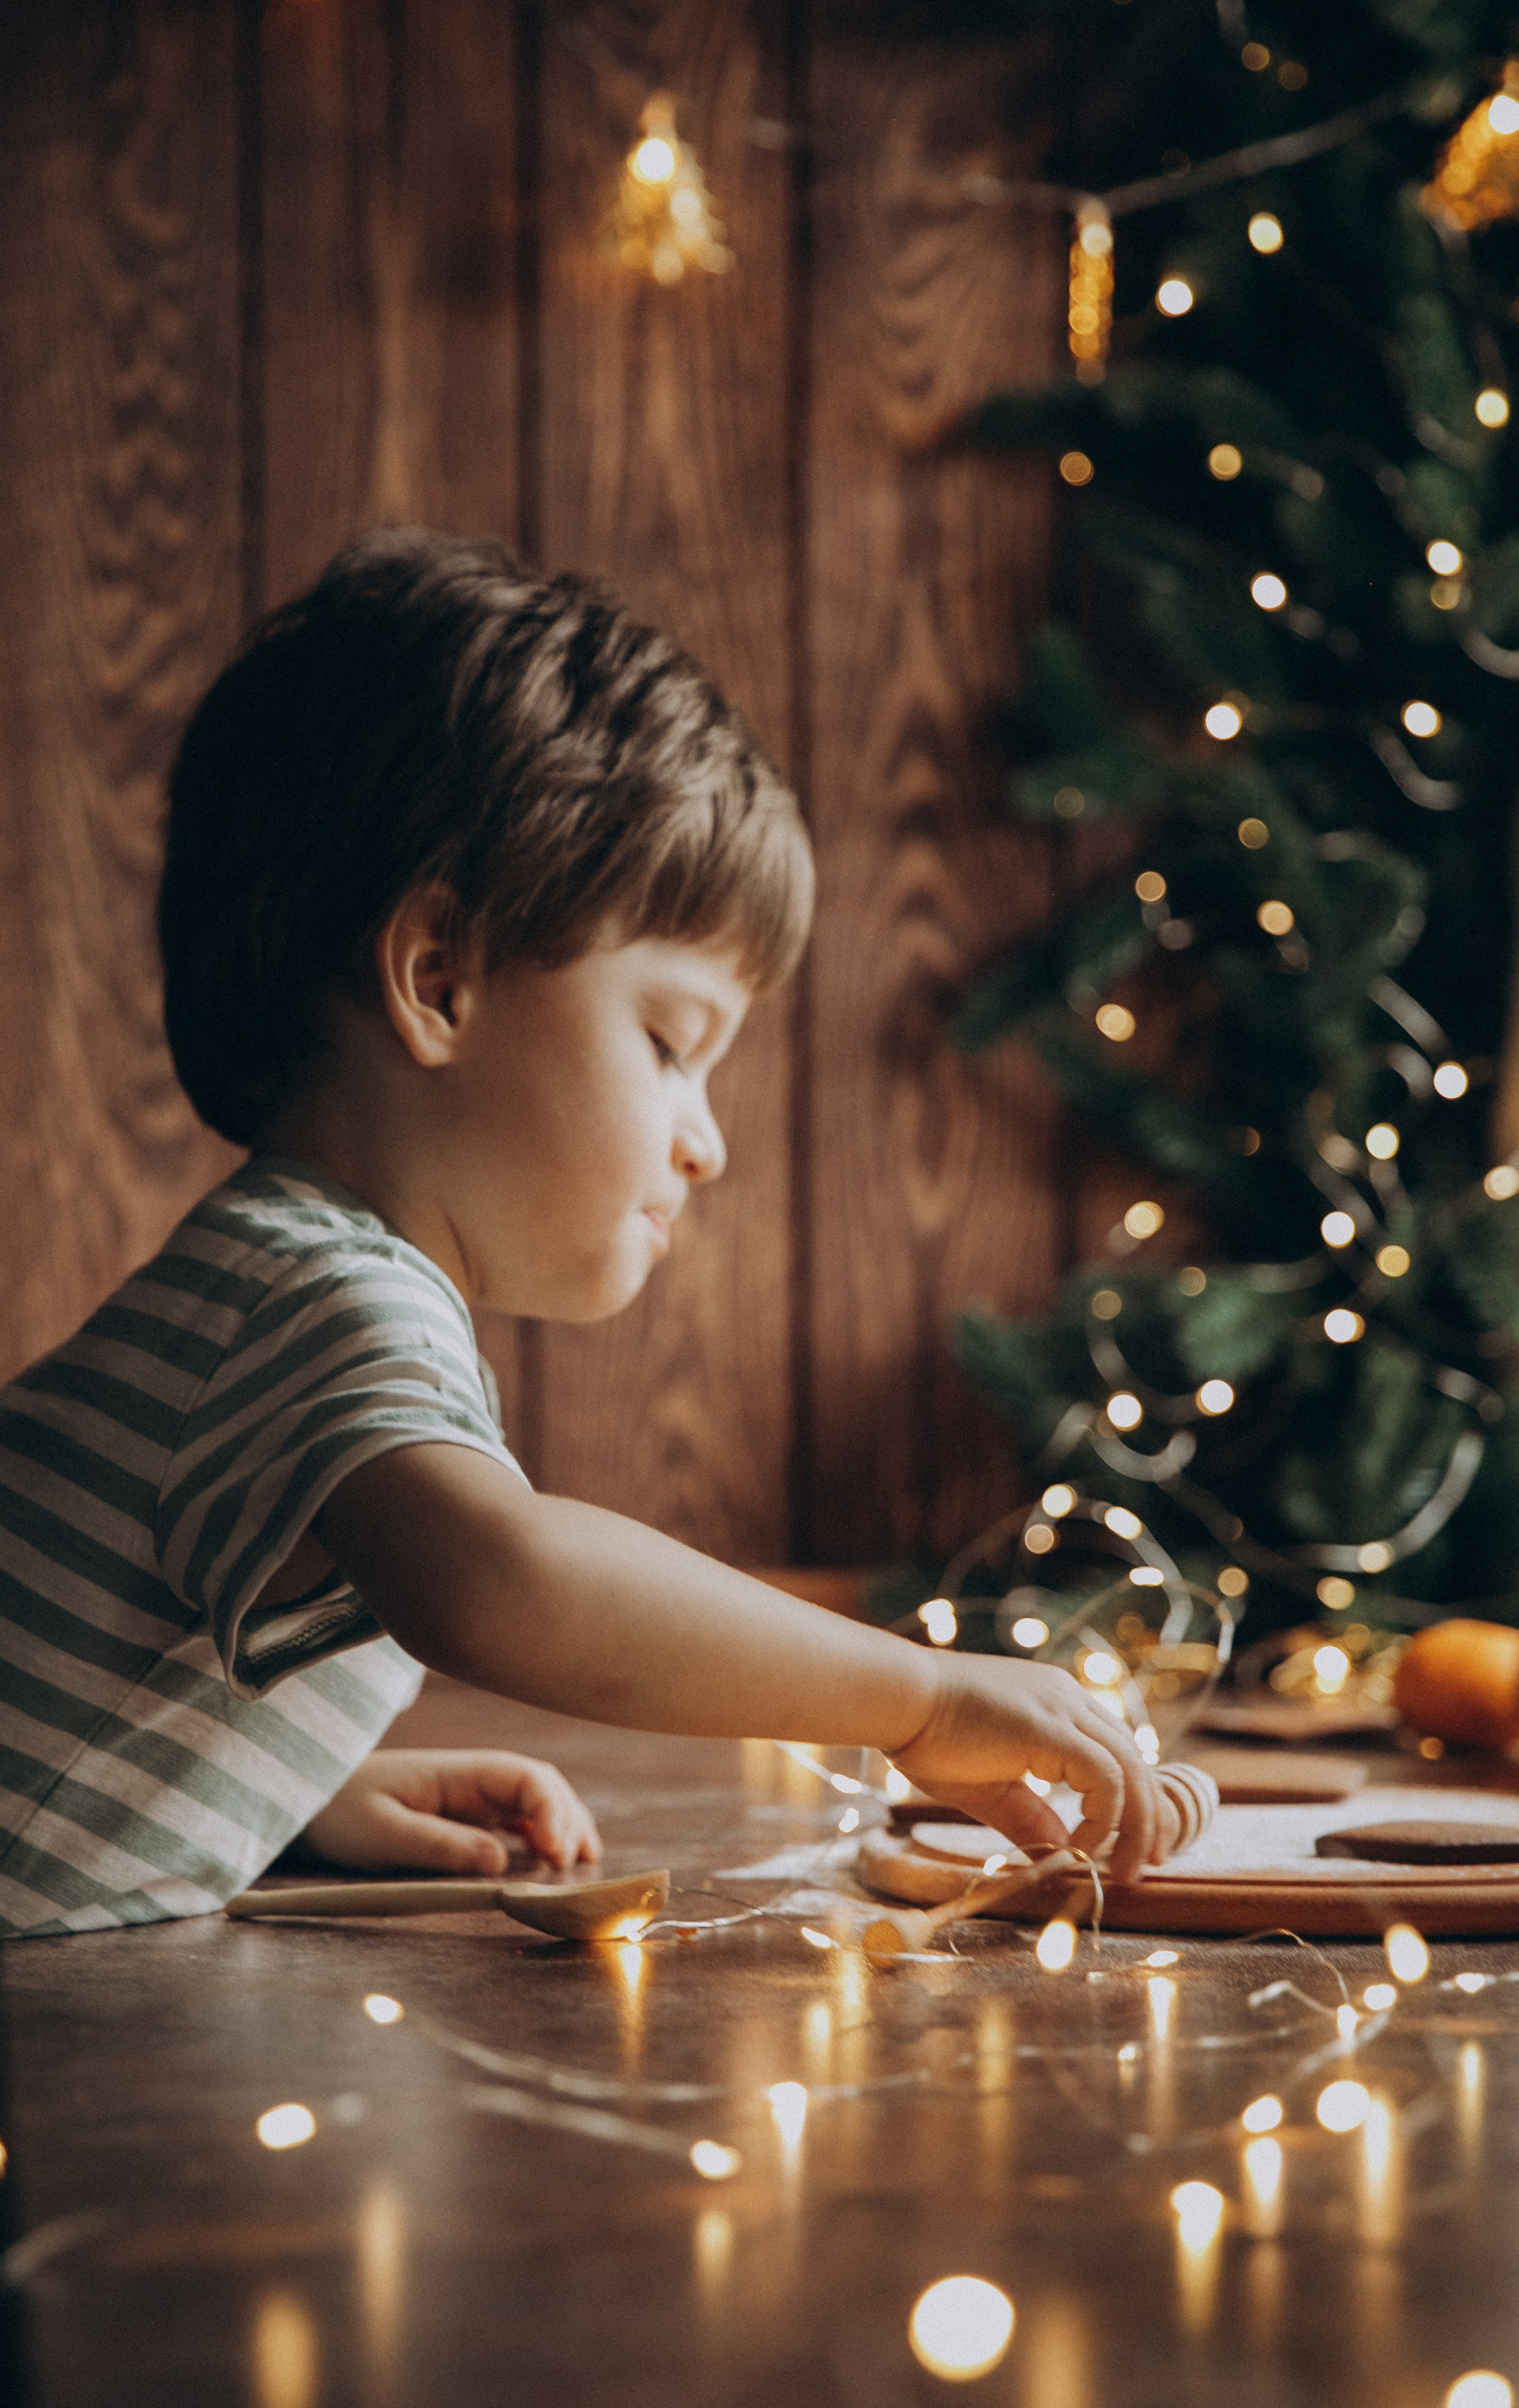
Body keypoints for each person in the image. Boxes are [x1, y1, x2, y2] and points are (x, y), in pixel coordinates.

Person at [0, 530, 1166, 1939]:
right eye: (672, 1041)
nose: (707, 1137)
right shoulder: (316, 1290)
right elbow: (504, 1580)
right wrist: (915, 1698)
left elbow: (91, 1677)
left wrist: (298, 1794)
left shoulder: (276, 1279)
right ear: (438, 978)